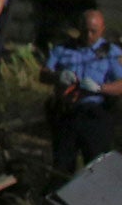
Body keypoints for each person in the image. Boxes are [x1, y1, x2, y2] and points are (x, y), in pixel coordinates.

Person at [41, 9, 122, 177]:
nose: (89, 35)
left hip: (95, 115)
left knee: (96, 167)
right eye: (85, 30)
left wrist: (101, 88)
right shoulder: (63, 49)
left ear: (102, 30)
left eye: (94, 31)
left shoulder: (111, 53)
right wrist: (58, 76)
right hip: (66, 113)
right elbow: (43, 74)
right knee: (62, 166)